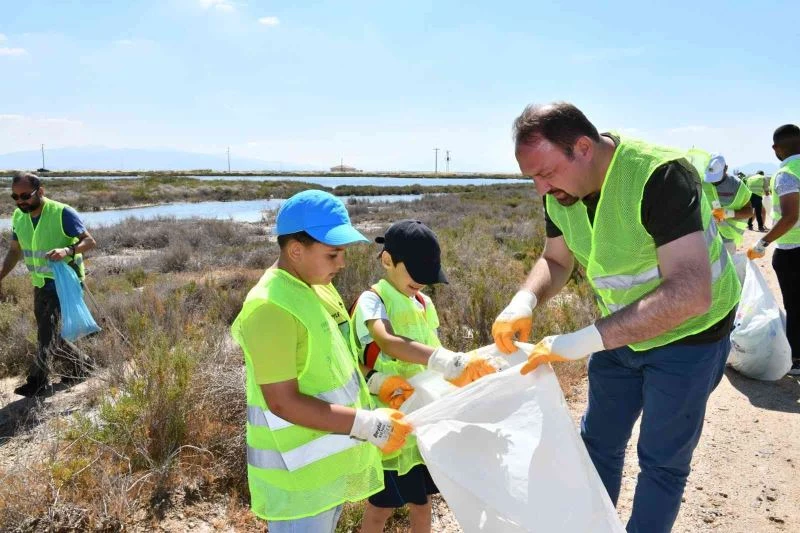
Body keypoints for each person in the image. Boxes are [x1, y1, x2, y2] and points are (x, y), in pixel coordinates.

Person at [492, 102, 740, 533]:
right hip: (619, 336)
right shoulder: (560, 192)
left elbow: (690, 292)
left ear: (583, 147)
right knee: (597, 447)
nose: (540, 189)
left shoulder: (659, 176)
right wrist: (524, 301)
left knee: (662, 461)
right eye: (531, 177)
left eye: (546, 173)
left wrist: (584, 340)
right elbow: (556, 258)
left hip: (690, 339)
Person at [230, 190, 413, 532]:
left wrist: (375, 383)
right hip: (296, 482)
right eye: (333, 254)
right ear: (296, 251)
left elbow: (333, 363)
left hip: (323, 471)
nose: (342, 264)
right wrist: (368, 425)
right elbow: (282, 402)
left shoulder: (314, 286)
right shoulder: (271, 308)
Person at [350, 219, 505, 533]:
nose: (421, 284)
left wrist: (461, 372)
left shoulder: (423, 302)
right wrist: (443, 362)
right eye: (415, 275)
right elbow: (387, 341)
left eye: (427, 277)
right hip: (391, 418)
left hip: (424, 418)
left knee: (423, 503)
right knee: (381, 506)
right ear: (387, 261)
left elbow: (434, 348)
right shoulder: (372, 301)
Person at [0, 172, 96, 397]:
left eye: (25, 195)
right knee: (51, 333)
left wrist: (67, 250)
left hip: (65, 282)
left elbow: (89, 241)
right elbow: (15, 251)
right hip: (41, 282)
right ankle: (83, 366)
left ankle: (37, 381)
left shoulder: (62, 212)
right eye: (15, 197)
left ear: (40, 191)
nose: (20, 201)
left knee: (46, 333)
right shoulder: (18, 216)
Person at [747, 124, 800, 376]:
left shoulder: (787, 173)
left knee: (795, 304)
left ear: (776, 149)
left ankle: (797, 359)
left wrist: (763, 242)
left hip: (793, 250)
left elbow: (789, 216)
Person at [702, 154, 754, 255]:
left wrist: (726, 213)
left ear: (726, 168)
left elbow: (749, 211)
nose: (713, 182)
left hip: (726, 238)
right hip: (704, 236)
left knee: (725, 268)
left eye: (716, 177)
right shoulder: (702, 180)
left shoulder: (737, 185)